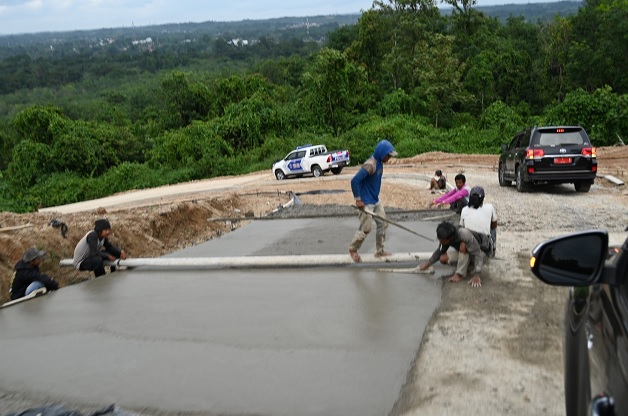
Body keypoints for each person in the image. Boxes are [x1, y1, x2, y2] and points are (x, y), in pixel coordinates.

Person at [348, 139, 398, 263]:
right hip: (366, 202)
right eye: (388, 156)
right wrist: (358, 199)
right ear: (382, 153)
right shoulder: (371, 165)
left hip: (375, 200)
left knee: (383, 223)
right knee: (366, 228)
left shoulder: (380, 163)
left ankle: (379, 251)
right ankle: (353, 249)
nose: (389, 158)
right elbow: (355, 181)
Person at [417, 221, 486, 288]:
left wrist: (477, 275)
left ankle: (460, 274)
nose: (441, 242)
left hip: (481, 253)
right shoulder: (445, 236)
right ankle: (468, 267)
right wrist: (428, 263)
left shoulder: (464, 234)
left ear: (451, 238)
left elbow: (478, 254)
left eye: (443, 241)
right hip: (466, 253)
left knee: (463, 245)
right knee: (443, 258)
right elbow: (440, 250)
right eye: (439, 240)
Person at [460, 186, 497, 256]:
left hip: (469, 243)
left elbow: (462, 227)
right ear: (483, 198)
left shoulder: (464, 209)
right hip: (484, 243)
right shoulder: (490, 207)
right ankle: (493, 248)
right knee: (493, 229)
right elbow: (494, 225)